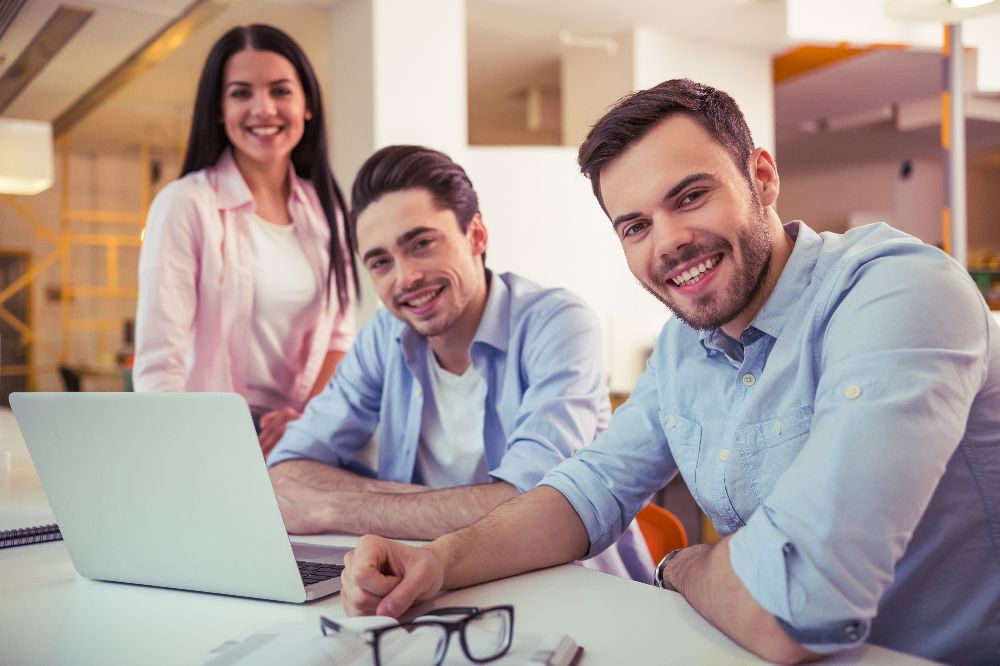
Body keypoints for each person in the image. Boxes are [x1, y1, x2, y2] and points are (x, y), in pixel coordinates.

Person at [338, 80, 1000, 664]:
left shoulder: (898, 290)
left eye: (689, 196)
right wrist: (439, 561)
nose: (669, 242)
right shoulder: (685, 345)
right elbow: (587, 490)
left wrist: (685, 566)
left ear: (762, 177)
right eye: (635, 226)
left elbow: (797, 611)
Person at [266, 145, 652, 583]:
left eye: (422, 243)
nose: (405, 277)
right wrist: (460, 505)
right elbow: (286, 469)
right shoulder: (384, 336)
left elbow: (533, 504)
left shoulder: (559, 323)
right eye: (380, 262)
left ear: (476, 236)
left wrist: (331, 505)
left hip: (569, 586)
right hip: (432, 582)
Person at [134, 24, 357, 455]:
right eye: (241, 93)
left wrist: (308, 421)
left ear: (307, 103)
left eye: (280, 91)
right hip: (207, 434)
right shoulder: (186, 203)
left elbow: (339, 340)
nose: (263, 108)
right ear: (218, 109)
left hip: (301, 433)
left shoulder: (325, 210)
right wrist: (173, 452)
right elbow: (161, 360)